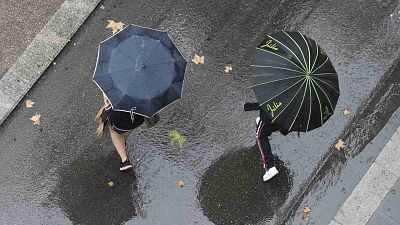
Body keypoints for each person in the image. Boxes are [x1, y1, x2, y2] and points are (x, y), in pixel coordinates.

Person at [95, 93, 145, 171]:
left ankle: (125, 161)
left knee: (115, 131)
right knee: (128, 127)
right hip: (139, 117)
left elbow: (108, 106)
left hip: (120, 118)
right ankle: (123, 142)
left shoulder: (112, 85)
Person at [244, 102, 288, 181]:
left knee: (261, 136)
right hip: (285, 117)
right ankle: (264, 126)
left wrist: (248, 106)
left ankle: (270, 167)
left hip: (270, 113)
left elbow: (265, 103)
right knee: (270, 125)